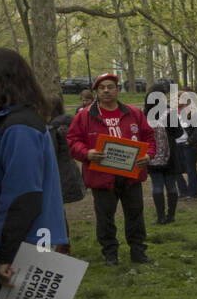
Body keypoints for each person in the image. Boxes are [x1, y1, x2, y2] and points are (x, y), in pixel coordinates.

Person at [0, 49, 69, 299]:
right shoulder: (13, 123)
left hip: (29, 235)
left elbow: (23, 195)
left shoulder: (21, 127)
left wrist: (2, 253)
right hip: (28, 234)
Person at [66, 72, 153, 266]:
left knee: (135, 215)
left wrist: (148, 156)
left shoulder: (134, 113)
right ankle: (110, 254)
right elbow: (72, 140)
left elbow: (149, 137)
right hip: (101, 176)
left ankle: (138, 251)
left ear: (118, 90)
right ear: (96, 91)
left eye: (110, 87)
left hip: (131, 176)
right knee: (105, 218)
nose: (106, 90)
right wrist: (86, 153)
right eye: (102, 88)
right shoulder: (84, 116)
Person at [143, 82, 180, 224]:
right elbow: (178, 133)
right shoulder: (170, 113)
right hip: (170, 154)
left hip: (151, 154)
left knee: (156, 185)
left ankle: (160, 217)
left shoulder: (144, 113)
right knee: (171, 185)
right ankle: (171, 216)